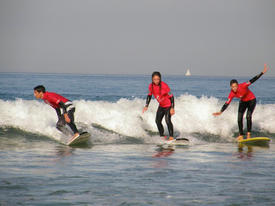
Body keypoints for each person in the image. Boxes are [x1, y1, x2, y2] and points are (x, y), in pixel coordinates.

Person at [213, 64, 269, 140]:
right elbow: (227, 103)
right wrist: (221, 111)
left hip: (251, 100)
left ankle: (249, 134)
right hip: (243, 102)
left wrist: (262, 73)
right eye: (233, 87)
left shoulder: (243, 85)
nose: (234, 88)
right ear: (231, 87)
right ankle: (241, 135)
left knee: (248, 116)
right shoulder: (231, 93)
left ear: (237, 85)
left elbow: (253, 80)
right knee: (239, 119)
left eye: (235, 86)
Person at [142, 71, 175, 141]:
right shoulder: (151, 86)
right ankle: (162, 136)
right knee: (157, 121)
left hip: (168, 105)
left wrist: (172, 108)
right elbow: (149, 95)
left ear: (160, 79)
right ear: (152, 79)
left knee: (167, 120)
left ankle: (171, 136)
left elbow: (171, 97)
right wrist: (146, 105)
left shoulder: (164, 86)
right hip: (161, 106)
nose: (156, 81)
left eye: (158, 79)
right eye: (154, 79)